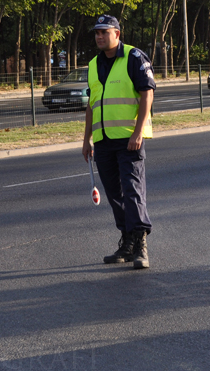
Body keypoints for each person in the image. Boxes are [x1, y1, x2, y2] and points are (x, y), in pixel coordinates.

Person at [82, 15, 155, 269]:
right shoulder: (93, 64)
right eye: (96, 33)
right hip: (103, 141)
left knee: (133, 190)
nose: (99, 36)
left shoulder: (134, 57)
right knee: (115, 193)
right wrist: (86, 139)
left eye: (105, 32)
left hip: (129, 138)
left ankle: (140, 244)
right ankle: (127, 242)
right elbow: (91, 105)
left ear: (117, 33)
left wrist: (137, 132)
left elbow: (147, 93)